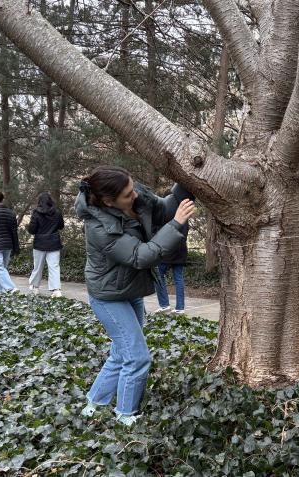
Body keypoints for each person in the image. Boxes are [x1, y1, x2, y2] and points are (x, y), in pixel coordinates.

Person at [74, 165, 195, 427]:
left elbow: (163, 207)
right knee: (137, 357)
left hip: (130, 290)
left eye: (133, 188)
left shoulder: (133, 197)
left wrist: (187, 178)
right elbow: (139, 256)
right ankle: (125, 414)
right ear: (108, 201)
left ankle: (94, 404)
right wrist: (176, 224)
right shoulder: (99, 227)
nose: (135, 196)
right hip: (109, 297)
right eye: (128, 195)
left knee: (122, 352)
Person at [27, 192, 65, 297]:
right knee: (54, 266)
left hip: (39, 242)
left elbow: (32, 230)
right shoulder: (57, 212)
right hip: (54, 242)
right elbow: (61, 226)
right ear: (50, 201)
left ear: (39, 202)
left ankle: (35, 287)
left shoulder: (36, 213)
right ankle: (56, 290)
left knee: (38, 266)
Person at [154, 222, 189, 314]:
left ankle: (164, 305)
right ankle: (180, 308)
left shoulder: (167, 213)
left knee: (158, 276)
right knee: (178, 279)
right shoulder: (184, 215)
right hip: (180, 251)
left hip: (167, 251)